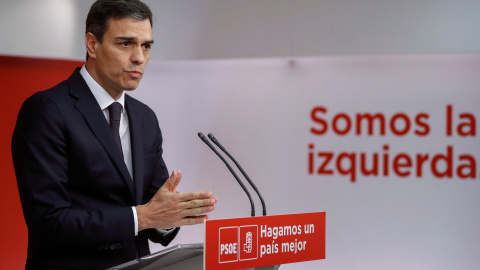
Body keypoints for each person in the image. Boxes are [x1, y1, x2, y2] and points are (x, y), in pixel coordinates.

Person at [11, 0, 217, 269]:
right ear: (92, 44)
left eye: (146, 46)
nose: (139, 58)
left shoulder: (145, 118)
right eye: (125, 43)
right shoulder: (47, 110)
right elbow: (48, 224)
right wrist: (141, 218)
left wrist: (170, 215)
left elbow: (153, 209)